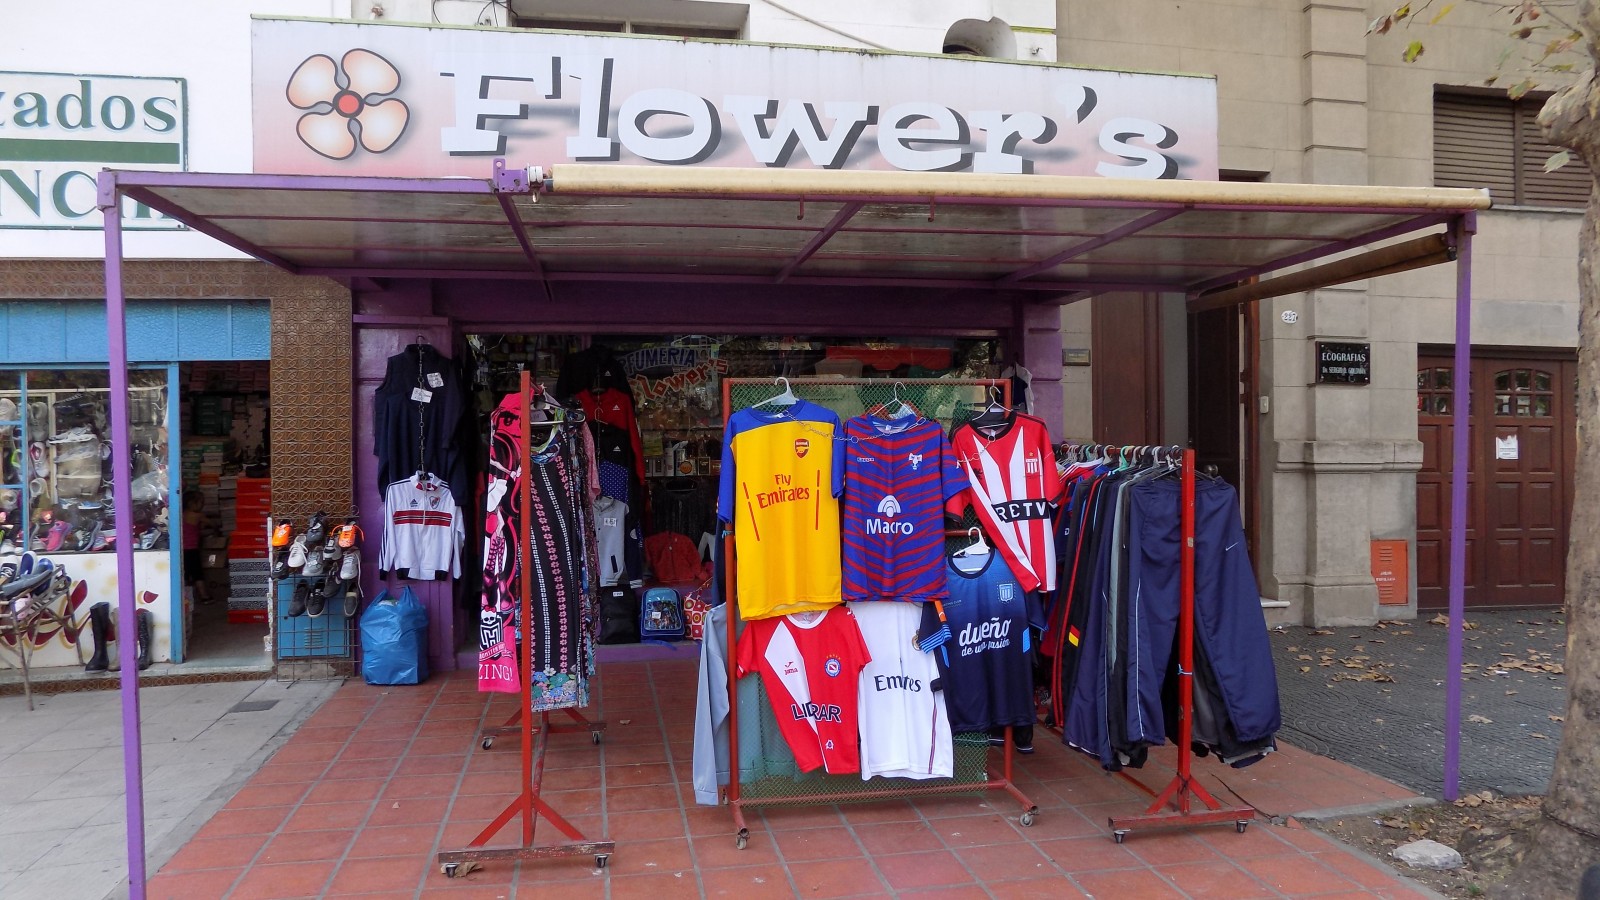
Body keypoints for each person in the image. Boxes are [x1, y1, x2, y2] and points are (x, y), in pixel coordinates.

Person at [182, 492, 210, 604]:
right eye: (201, 503)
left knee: (185, 574)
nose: (203, 505)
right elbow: (212, 523)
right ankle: (204, 596)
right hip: (192, 549)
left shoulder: (182, 514)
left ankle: (184, 598)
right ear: (191, 503)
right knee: (197, 574)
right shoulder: (198, 516)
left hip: (182, 549)